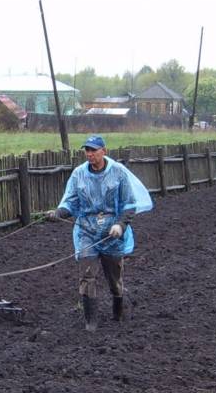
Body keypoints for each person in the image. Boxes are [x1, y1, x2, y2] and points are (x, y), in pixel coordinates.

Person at [46, 135, 153, 331]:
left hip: (112, 233)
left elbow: (129, 204)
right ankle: (91, 322)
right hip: (87, 231)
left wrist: (120, 225)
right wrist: (58, 213)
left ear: (104, 151)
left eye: (93, 150)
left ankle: (118, 308)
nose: (90, 154)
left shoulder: (118, 172)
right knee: (87, 275)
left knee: (114, 278)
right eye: (87, 150)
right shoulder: (78, 174)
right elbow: (70, 202)